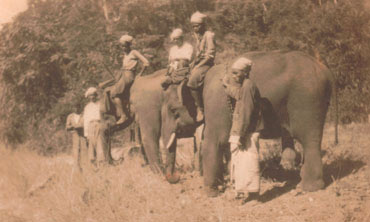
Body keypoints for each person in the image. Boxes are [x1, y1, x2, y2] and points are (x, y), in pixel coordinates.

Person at [222, 58, 262, 203]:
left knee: (250, 162)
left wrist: (240, 135)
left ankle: (253, 196)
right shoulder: (245, 86)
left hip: (247, 131)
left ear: (245, 73)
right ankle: (241, 191)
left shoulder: (248, 86)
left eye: (236, 73)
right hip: (242, 130)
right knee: (239, 162)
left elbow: (246, 111)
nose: (234, 76)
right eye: (232, 73)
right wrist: (227, 87)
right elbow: (239, 96)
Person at [105, 35, 150, 125]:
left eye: (125, 46)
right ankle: (119, 112)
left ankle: (123, 115)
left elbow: (146, 62)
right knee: (108, 89)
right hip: (123, 75)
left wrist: (140, 73)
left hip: (129, 75)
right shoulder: (125, 55)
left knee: (114, 93)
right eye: (122, 46)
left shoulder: (134, 52)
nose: (123, 48)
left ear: (129, 45)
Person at [188, 11, 216, 122]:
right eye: (193, 26)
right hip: (199, 62)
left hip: (207, 63)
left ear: (203, 25)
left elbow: (210, 55)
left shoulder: (209, 35)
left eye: (197, 26)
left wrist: (197, 66)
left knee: (192, 81)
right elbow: (198, 53)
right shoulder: (198, 36)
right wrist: (193, 63)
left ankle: (201, 108)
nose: (195, 28)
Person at [83, 87, 111, 166]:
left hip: (99, 124)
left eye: (93, 95)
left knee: (100, 143)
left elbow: (106, 114)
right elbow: (86, 120)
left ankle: (102, 163)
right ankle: (93, 164)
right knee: (91, 145)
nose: (92, 97)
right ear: (88, 97)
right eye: (90, 96)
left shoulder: (100, 104)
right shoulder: (87, 107)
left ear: (96, 95)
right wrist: (86, 133)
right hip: (90, 126)